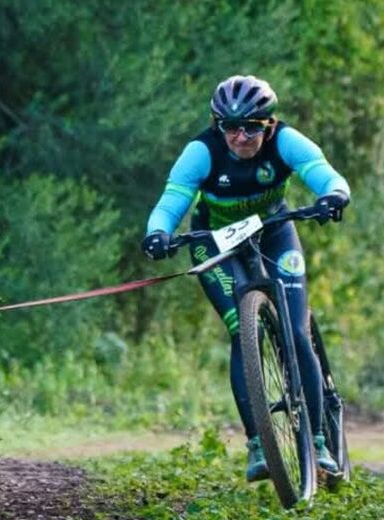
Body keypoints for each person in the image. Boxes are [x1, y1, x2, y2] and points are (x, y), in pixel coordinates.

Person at [142, 74, 350, 482]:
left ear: (268, 124)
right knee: (242, 328)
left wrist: (333, 196)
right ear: (218, 125)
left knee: (295, 330)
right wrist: (157, 233)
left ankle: (320, 443)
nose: (240, 137)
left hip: (275, 231)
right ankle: (258, 444)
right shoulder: (201, 151)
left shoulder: (286, 142)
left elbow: (323, 173)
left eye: (251, 127)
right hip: (214, 241)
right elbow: (172, 201)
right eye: (230, 127)